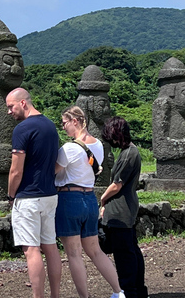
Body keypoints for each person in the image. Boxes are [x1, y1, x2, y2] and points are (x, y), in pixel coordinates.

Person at [55, 106, 124, 298]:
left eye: (64, 123)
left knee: (74, 254)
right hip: (90, 198)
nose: (63, 127)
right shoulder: (99, 145)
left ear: (74, 121)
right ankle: (118, 291)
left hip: (69, 198)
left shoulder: (69, 148)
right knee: (95, 251)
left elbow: (53, 171)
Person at [5, 87, 62, 298]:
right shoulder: (50, 126)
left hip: (28, 196)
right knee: (50, 246)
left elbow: (16, 170)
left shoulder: (22, 129)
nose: (9, 112)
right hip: (49, 194)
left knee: (31, 249)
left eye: (11, 106)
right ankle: (55, 295)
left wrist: (11, 195)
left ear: (22, 103)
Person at [101, 116, 148, 298]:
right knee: (131, 250)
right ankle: (137, 289)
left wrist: (102, 199)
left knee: (124, 254)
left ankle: (129, 290)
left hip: (120, 209)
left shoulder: (128, 153)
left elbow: (116, 184)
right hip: (126, 207)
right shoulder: (130, 151)